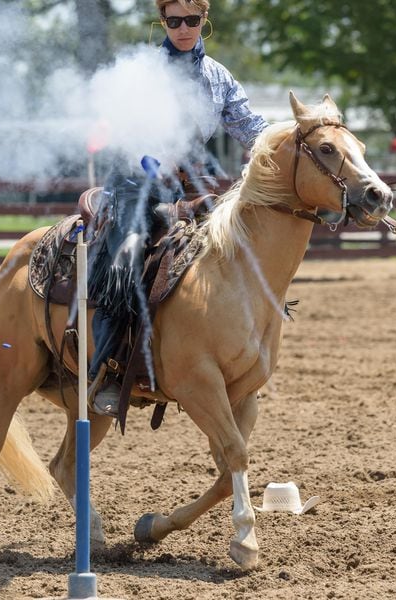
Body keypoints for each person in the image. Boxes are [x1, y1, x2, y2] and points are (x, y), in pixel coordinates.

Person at [88, 0, 268, 418]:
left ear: (204, 20)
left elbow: (249, 126)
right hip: (137, 184)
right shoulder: (145, 73)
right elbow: (124, 132)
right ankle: (111, 371)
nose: (183, 28)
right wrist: (155, 163)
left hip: (193, 186)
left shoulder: (218, 77)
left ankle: (232, 351)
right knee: (124, 263)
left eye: (191, 20)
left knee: (243, 250)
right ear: (162, 22)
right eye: (174, 20)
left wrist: (288, 138)